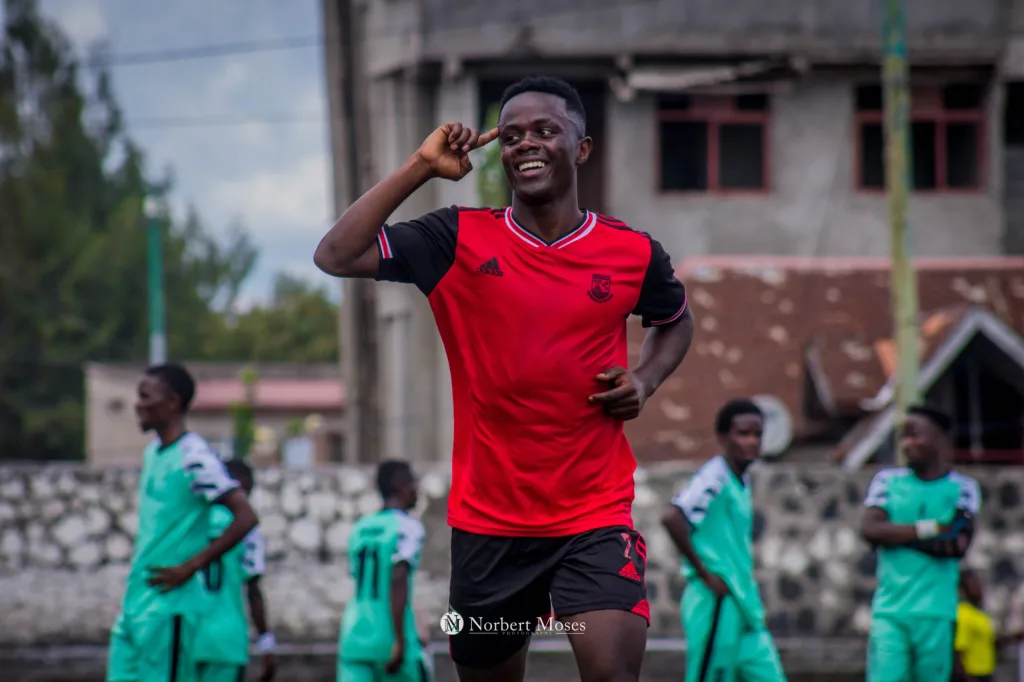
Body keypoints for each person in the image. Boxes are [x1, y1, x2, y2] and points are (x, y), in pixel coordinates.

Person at [314, 75, 694, 682]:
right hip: (487, 528)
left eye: (545, 130)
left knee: (612, 673)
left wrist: (644, 380)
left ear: (581, 148)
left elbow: (675, 321)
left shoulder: (632, 252)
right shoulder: (455, 238)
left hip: (594, 516)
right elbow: (335, 254)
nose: (526, 144)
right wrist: (421, 166)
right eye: (511, 136)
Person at [106, 363, 259, 682]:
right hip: (136, 604)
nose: (138, 404)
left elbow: (245, 516)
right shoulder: (153, 452)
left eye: (145, 396)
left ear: (173, 402)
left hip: (169, 608)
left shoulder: (194, 456)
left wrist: (191, 566)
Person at [661, 399, 787, 682]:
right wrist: (705, 573)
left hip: (744, 606)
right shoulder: (714, 477)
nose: (752, 441)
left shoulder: (740, 478)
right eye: (743, 433)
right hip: (717, 601)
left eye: (757, 434)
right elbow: (673, 517)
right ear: (723, 438)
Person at [860, 404, 982, 682]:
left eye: (915, 434)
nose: (907, 443)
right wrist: (931, 528)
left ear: (940, 438)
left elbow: (955, 544)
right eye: (903, 436)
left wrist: (892, 537)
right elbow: (869, 530)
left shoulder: (963, 488)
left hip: (937, 612)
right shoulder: (887, 482)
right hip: (890, 611)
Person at [337, 460, 430, 682]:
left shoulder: (361, 527)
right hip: (389, 635)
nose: (416, 490)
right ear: (399, 485)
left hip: (355, 635)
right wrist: (400, 639)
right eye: (412, 483)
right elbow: (398, 578)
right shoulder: (407, 527)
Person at [194, 459, 276, 682]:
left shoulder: (192, 521)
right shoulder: (245, 526)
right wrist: (266, 643)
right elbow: (253, 590)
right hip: (226, 640)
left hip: (188, 635)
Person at [954, 568, 996, 682]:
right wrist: (967, 677)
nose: (979, 588)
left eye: (979, 584)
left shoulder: (980, 613)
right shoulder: (963, 614)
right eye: (973, 585)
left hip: (986, 672)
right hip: (973, 674)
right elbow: (958, 651)